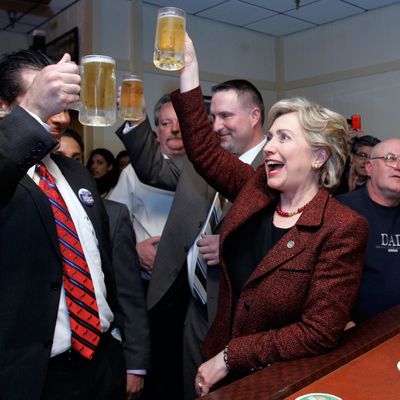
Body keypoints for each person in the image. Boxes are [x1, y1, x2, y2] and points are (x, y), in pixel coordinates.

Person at [170, 34, 369, 397]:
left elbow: (318, 332)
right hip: (218, 366)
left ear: (318, 157)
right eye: (272, 136)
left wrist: (231, 357)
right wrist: (189, 72)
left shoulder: (342, 227)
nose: (271, 146)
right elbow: (202, 150)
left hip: (278, 380)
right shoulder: (255, 190)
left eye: (284, 138)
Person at [0, 49, 148, 400]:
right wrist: (32, 112)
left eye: (63, 102)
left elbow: (104, 266)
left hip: (101, 360)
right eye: (47, 98)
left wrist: (126, 353)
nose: (61, 117)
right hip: (34, 374)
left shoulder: (75, 172)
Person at [116, 76, 266, 399]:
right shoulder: (204, 162)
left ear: (254, 116)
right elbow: (153, 168)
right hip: (189, 302)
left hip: (237, 309)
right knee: (191, 385)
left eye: (226, 117)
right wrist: (135, 118)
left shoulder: (276, 163)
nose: (217, 126)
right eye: (213, 118)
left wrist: (229, 238)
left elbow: (284, 225)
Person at [109, 94, 184, 283]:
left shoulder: (207, 171)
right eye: (166, 123)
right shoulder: (133, 173)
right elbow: (111, 222)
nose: (175, 129)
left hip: (193, 280)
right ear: (157, 133)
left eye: (181, 122)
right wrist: (134, 250)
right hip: (146, 279)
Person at [337, 138, 400, 323]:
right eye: (390, 158)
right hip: (356, 335)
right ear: (370, 168)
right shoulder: (341, 210)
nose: (398, 166)